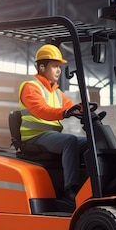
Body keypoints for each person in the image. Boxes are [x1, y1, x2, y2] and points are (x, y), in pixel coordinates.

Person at [18, 44, 87, 205]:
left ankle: (91, 186)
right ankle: (70, 189)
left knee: (90, 143)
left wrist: (84, 110)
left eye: (60, 67)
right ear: (42, 67)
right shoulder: (31, 87)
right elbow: (41, 110)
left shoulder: (55, 91)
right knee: (69, 141)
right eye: (55, 66)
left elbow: (70, 106)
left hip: (50, 136)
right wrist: (64, 113)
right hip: (34, 136)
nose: (59, 70)